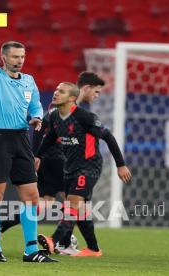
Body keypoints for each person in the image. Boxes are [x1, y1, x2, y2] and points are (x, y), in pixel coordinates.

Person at [0, 72, 106, 255]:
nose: (96, 96)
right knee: (73, 203)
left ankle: (78, 245)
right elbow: (43, 131)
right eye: (96, 92)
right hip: (60, 161)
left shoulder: (65, 109)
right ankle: (64, 243)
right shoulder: (66, 108)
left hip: (55, 161)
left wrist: (36, 155)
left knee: (48, 202)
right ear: (86, 88)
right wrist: (36, 155)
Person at [0, 18, 56, 263]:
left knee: (32, 196)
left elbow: (35, 106)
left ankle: (31, 250)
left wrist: (36, 118)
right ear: (3, 58)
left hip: (21, 140)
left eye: (22, 56)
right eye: (15, 57)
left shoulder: (29, 80)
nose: (19, 60)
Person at [35, 82, 132, 257]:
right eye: (56, 89)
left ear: (72, 98)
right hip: (70, 167)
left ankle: (53, 240)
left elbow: (108, 137)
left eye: (61, 91)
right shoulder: (55, 116)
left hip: (89, 166)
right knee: (82, 211)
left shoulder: (84, 117)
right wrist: (38, 156)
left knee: (72, 202)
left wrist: (120, 164)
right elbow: (50, 138)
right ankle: (93, 249)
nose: (56, 93)